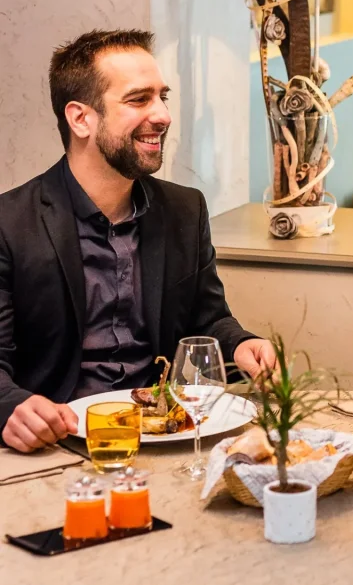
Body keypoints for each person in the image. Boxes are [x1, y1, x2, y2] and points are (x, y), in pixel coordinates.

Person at [0, 29, 276, 452]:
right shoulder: (9, 224)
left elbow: (206, 321)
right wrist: (12, 406)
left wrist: (240, 344)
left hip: (167, 439)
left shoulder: (185, 209)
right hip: (57, 448)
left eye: (163, 97)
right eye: (139, 99)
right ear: (80, 118)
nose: (163, 115)